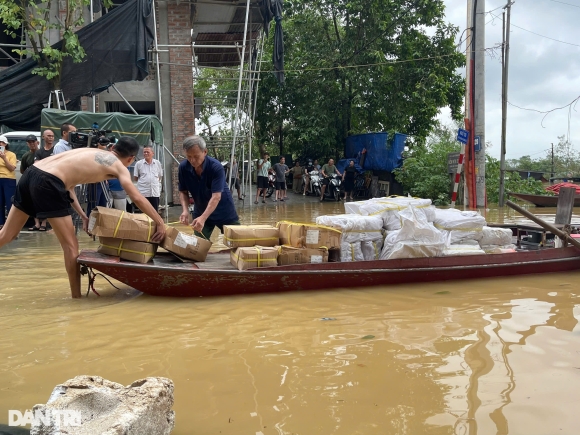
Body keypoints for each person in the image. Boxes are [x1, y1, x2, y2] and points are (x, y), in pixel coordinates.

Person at [0, 137, 165, 298]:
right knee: (71, 246)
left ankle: (76, 295)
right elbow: (136, 197)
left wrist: (84, 217)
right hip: (48, 181)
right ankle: (76, 298)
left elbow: (68, 186)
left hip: (31, 174)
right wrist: (159, 221)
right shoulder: (119, 166)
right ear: (131, 159)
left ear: (113, 148)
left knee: (7, 234)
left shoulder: (92, 152)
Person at [178, 135, 240, 240]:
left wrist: (203, 218)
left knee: (238, 241)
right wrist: (185, 210)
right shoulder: (183, 168)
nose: (192, 160)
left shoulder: (216, 167)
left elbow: (216, 196)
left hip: (223, 210)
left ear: (205, 152)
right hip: (201, 210)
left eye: (196, 156)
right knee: (197, 245)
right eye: (189, 157)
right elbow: (183, 191)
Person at [20, 135, 43, 231]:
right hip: (31, 183)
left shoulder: (42, 152)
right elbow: (22, 170)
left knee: (44, 202)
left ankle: (44, 223)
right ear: (27, 144)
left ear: (37, 142)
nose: (32, 144)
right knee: (33, 202)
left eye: (33, 142)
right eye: (30, 142)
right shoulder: (26, 156)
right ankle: (37, 223)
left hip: (43, 181)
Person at [86, 137, 113, 215]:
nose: (104, 143)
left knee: (103, 207)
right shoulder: (91, 152)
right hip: (94, 183)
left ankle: (100, 225)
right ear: (97, 142)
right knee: (93, 208)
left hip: (103, 182)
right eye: (102, 141)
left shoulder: (105, 153)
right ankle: (90, 225)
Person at [133, 145, 163, 213]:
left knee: (154, 212)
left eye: (147, 152)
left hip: (154, 193)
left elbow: (159, 176)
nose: (145, 154)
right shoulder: (139, 164)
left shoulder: (157, 163)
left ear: (153, 153)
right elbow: (135, 178)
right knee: (143, 212)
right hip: (143, 193)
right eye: (144, 152)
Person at [0, 135, 16, 230]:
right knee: (0, 202)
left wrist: (4, 158)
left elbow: (12, 168)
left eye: (1, 143)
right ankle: (1, 223)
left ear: (5, 144)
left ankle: (11, 225)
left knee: (10, 202)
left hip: (8, 179)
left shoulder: (11, 154)